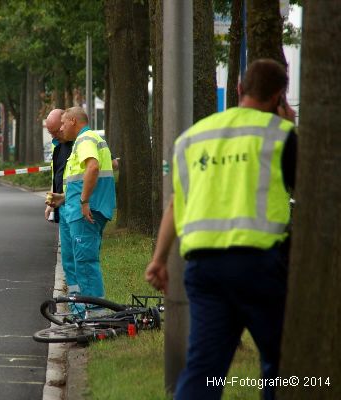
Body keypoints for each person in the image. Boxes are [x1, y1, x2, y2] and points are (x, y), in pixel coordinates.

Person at [145, 59, 297, 400]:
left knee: (203, 369)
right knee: (282, 362)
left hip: (204, 270)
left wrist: (158, 259)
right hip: (260, 266)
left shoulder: (194, 138)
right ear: (278, 97)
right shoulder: (281, 135)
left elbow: (176, 204)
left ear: (239, 90)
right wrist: (289, 127)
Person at [46, 106, 116, 303]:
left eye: (62, 123)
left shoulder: (85, 140)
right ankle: (81, 308)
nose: (61, 128)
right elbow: (79, 180)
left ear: (73, 122)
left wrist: (84, 201)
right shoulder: (83, 141)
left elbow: (92, 167)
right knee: (79, 262)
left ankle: (94, 313)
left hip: (87, 211)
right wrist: (63, 198)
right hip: (82, 209)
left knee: (85, 263)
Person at [44, 109, 78, 296]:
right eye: (51, 133)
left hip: (77, 208)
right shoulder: (59, 148)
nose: (55, 135)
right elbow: (58, 175)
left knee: (80, 261)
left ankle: (86, 308)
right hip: (64, 208)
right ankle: (75, 304)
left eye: (57, 131)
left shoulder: (80, 144)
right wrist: (51, 201)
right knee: (69, 262)